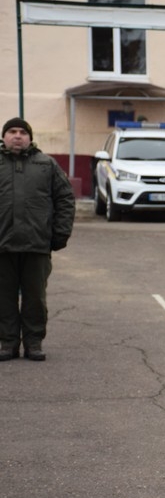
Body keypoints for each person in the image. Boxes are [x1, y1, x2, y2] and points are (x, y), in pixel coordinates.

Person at [0, 117, 75, 362]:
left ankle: (33, 343)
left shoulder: (47, 164)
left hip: (37, 245)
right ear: (4, 137)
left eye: (23, 132)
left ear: (30, 137)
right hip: (2, 246)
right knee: (4, 298)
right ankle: (7, 343)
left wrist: (60, 234)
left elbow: (64, 199)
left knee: (35, 299)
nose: (17, 136)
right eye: (12, 131)